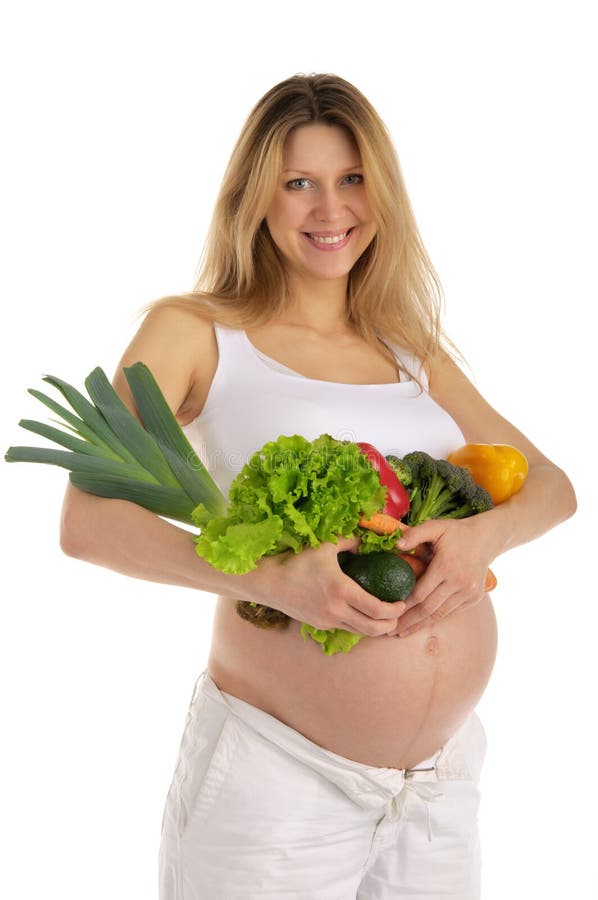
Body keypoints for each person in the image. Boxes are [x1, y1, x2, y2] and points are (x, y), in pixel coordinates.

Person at [60, 73, 576, 899]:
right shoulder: (196, 331)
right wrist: (265, 579)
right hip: (276, 787)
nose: (329, 209)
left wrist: (485, 535)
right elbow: (85, 520)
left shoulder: (411, 348)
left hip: (435, 792)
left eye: (351, 179)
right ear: (255, 198)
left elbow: (553, 486)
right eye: (298, 182)